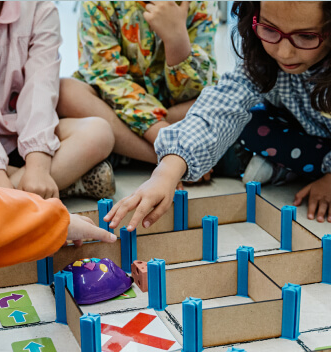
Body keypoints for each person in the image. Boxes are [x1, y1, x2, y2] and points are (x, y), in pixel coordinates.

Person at [0, 2, 117, 295]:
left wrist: (51, 221)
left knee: (97, 132)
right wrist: (0, 183)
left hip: (21, 141)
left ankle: (22, 188)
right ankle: (42, 186)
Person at [104, 1, 331, 229]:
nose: (283, 52)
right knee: (247, 121)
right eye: (270, 30)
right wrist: (166, 172)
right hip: (298, 130)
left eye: (306, 37)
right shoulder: (262, 55)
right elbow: (222, 107)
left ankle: (296, 168)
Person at [0, 1, 116, 200]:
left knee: (98, 132)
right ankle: (60, 184)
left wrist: (38, 167)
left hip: (19, 137)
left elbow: (41, 87)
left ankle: (7, 196)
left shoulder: (40, 8)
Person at [57, 1, 218, 182]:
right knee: (66, 92)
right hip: (112, 104)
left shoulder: (200, 4)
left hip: (159, 114)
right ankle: (169, 157)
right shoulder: (98, 3)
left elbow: (200, 88)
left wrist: (176, 39)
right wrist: (167, 139)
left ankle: (126, 152)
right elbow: (106, 77)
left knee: (219, 101)